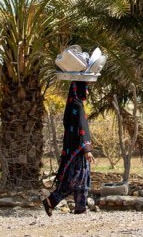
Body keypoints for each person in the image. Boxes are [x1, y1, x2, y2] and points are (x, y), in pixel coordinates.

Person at [43, 81, 94, 216]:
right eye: (85, 89)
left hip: (73, 151)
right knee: (75, 179)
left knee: (82, 179)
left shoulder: (71, 105)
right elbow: (82, 128)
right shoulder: (78, 106)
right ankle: (51, 201)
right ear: (79, 89)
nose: (87, 92)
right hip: (78, 151)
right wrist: (87, 149)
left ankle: (80, 208)